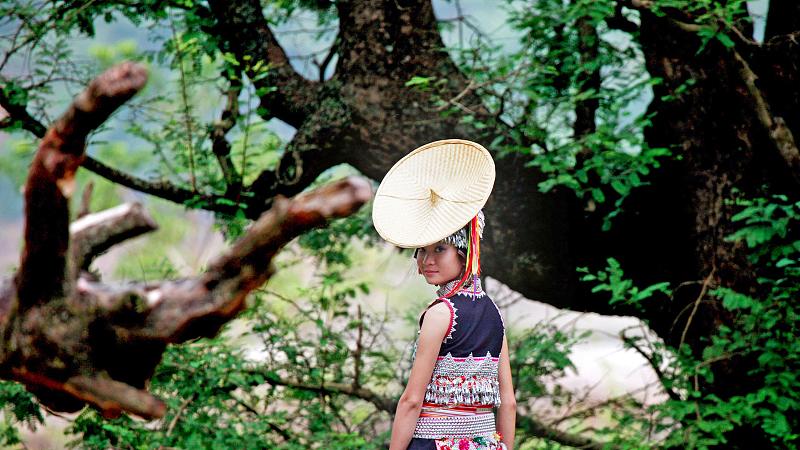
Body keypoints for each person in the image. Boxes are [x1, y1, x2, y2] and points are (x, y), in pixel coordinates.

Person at [372, 139, 515, 450]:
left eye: (440, 248)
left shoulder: (441, 313)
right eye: (422, 251)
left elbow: (411, 400)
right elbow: (508, 403)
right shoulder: (495, 314)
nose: (428, 260)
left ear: (464, 251)